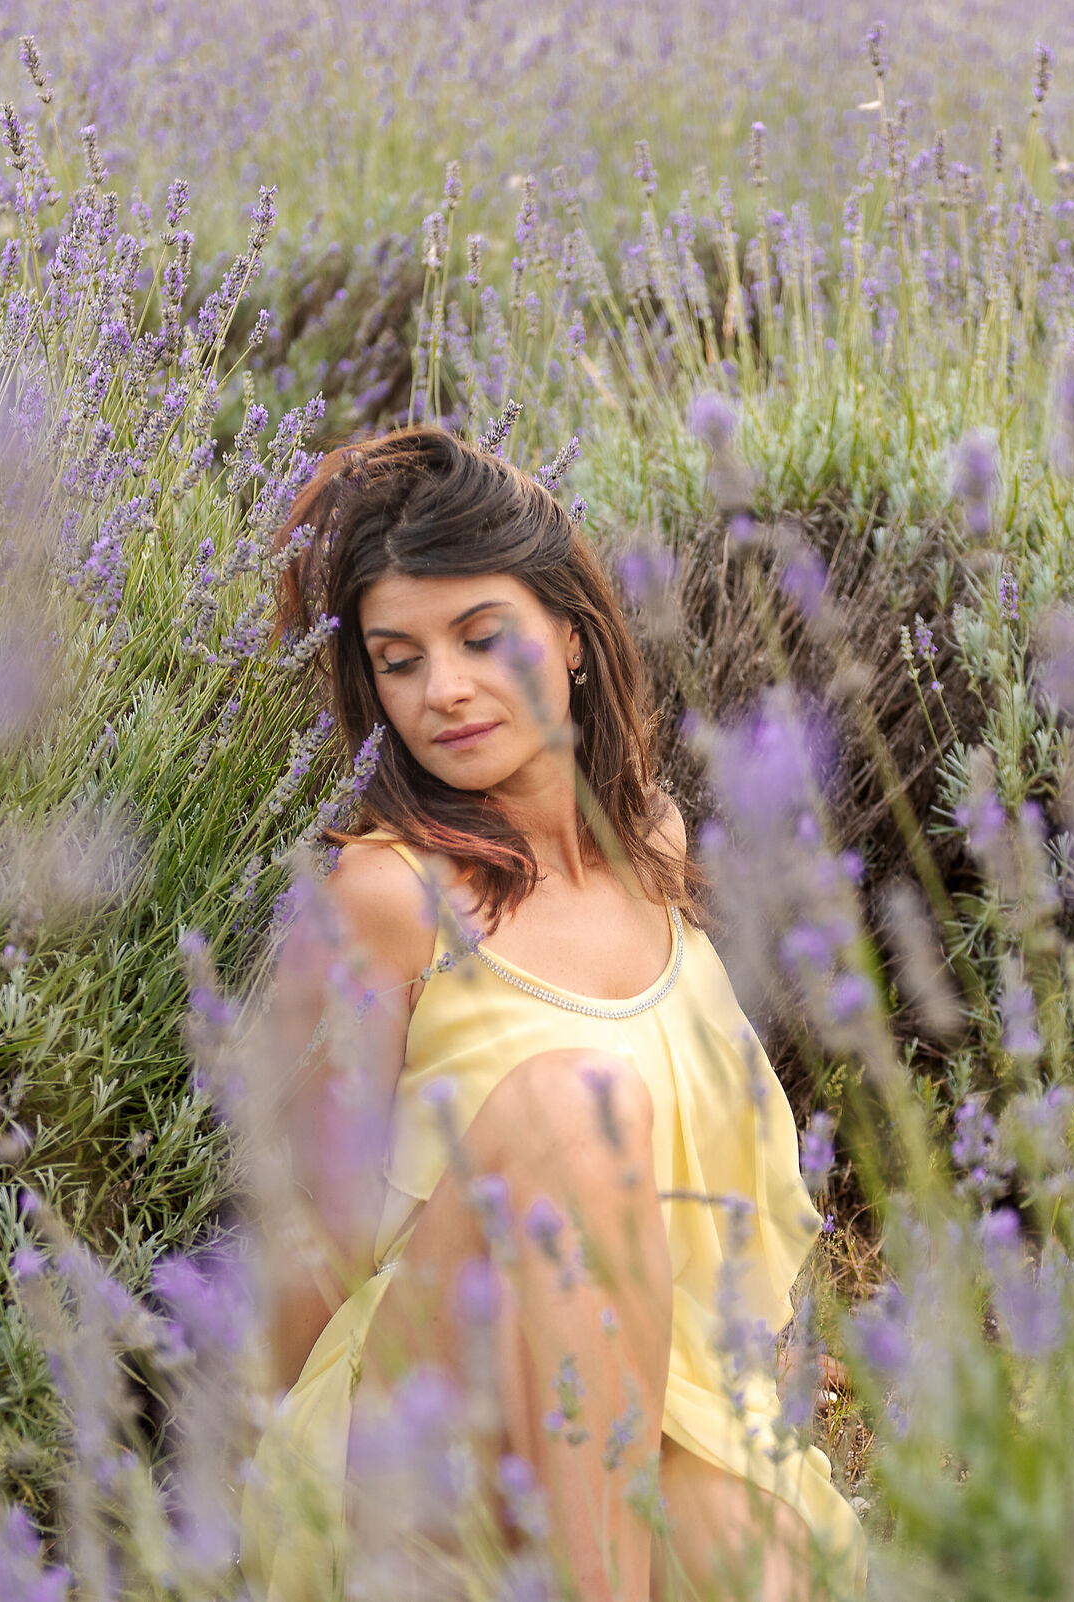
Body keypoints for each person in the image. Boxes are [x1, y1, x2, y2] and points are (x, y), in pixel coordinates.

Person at [238, 425, 865, 1602]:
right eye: (400, 659)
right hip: (417, 1437)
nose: (446, 691)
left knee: (765, 1567)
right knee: (576, 1106)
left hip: (639, 1400)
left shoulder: (655, 846)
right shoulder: (384, 899)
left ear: (572, 639)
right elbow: (302, 1253)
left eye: (483, 638)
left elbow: (723, 1193)